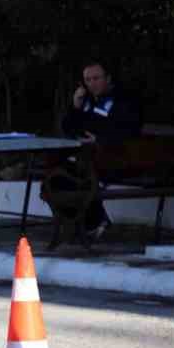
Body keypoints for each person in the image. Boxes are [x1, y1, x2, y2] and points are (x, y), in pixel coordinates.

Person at [56, 61, 144, 239]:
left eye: (96, 78)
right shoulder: (87, 100)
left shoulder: (122, 100)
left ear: (108, 78)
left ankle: (92, 222)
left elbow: (129, 131)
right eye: (87, 80)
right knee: (56, 178)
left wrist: (101, 140)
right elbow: (68, 128)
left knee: (77, 178)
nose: (91, 83)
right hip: (87, 156)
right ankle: (91, 222)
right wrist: (75, 106)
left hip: (116, 158)